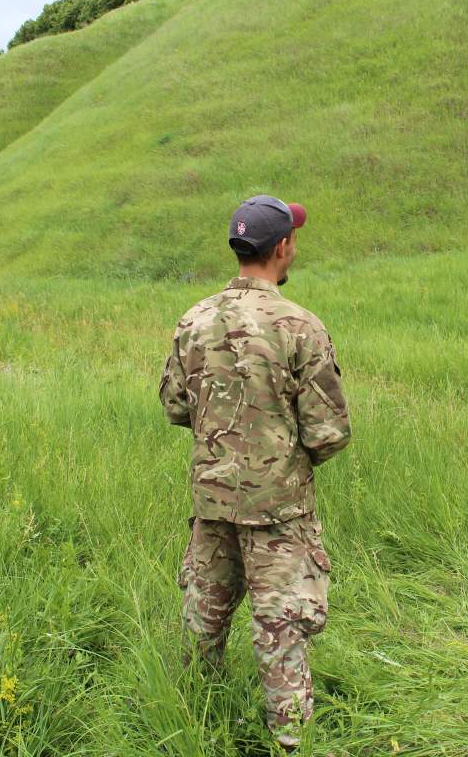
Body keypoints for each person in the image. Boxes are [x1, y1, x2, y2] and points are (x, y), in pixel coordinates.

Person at [159, 195, 351, 749]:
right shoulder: (299, 327)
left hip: (212, 502)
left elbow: (175, 405)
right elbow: (330, 432)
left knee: (203, 618)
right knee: (282, 629)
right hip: (279, 510)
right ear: (282, 247)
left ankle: (195, 721)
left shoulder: (193, 320)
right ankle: (291, 742)